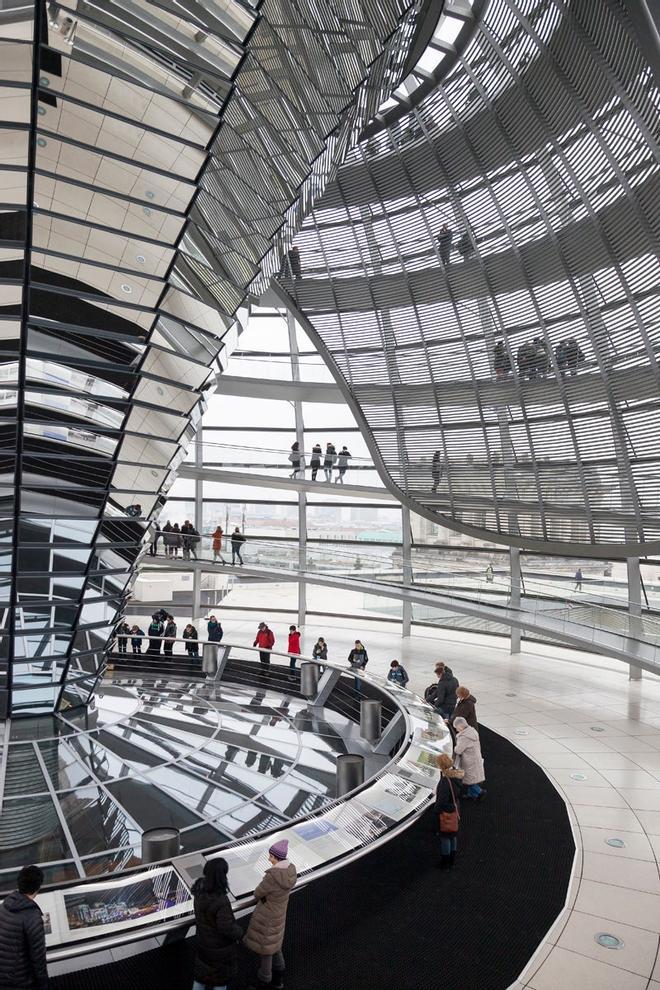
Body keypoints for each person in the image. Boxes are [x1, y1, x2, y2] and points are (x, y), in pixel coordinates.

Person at [243, 839, 297, 990]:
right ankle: (278, 980)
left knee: (266, 950)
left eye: (271, 856)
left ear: (277, 858)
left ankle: (263, 981)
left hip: (267, 918)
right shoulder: (290, 871)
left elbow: (258, 893)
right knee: (275, 945)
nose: (269, 859)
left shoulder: (272, 876)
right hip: (279, 916)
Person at [191, 858, 243, 990]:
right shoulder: (221, 900)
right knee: (220, 981)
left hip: (203, 943)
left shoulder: (199, 891)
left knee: (201, 976)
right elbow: (226, 927)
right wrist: (240, 932)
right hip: (220, 950)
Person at [0, 864, 48, 990]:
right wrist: (43, 985)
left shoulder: (6, 904)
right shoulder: (32, 916)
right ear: (38, 888)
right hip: (19, 981)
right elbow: (38, 959)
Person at [434, 754, 463, 869]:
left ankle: (445, 861)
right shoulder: (456, 776)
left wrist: (436, 811)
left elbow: (441, 800)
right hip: (455, 810)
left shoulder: (445, 782)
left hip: (446, 812)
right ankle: (452, 858)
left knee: (445, 836)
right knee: (453, 834)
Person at [454, 716, 486, 799]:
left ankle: (479, 792)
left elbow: (458, 750)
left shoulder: (464, 737)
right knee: (472, 777)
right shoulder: (472, 731)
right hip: (475, 757)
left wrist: (454, 747)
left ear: (460, 726)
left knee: (470, 779)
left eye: (456, 728)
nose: (456, 730)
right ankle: (472, 794)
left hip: (469, 761)